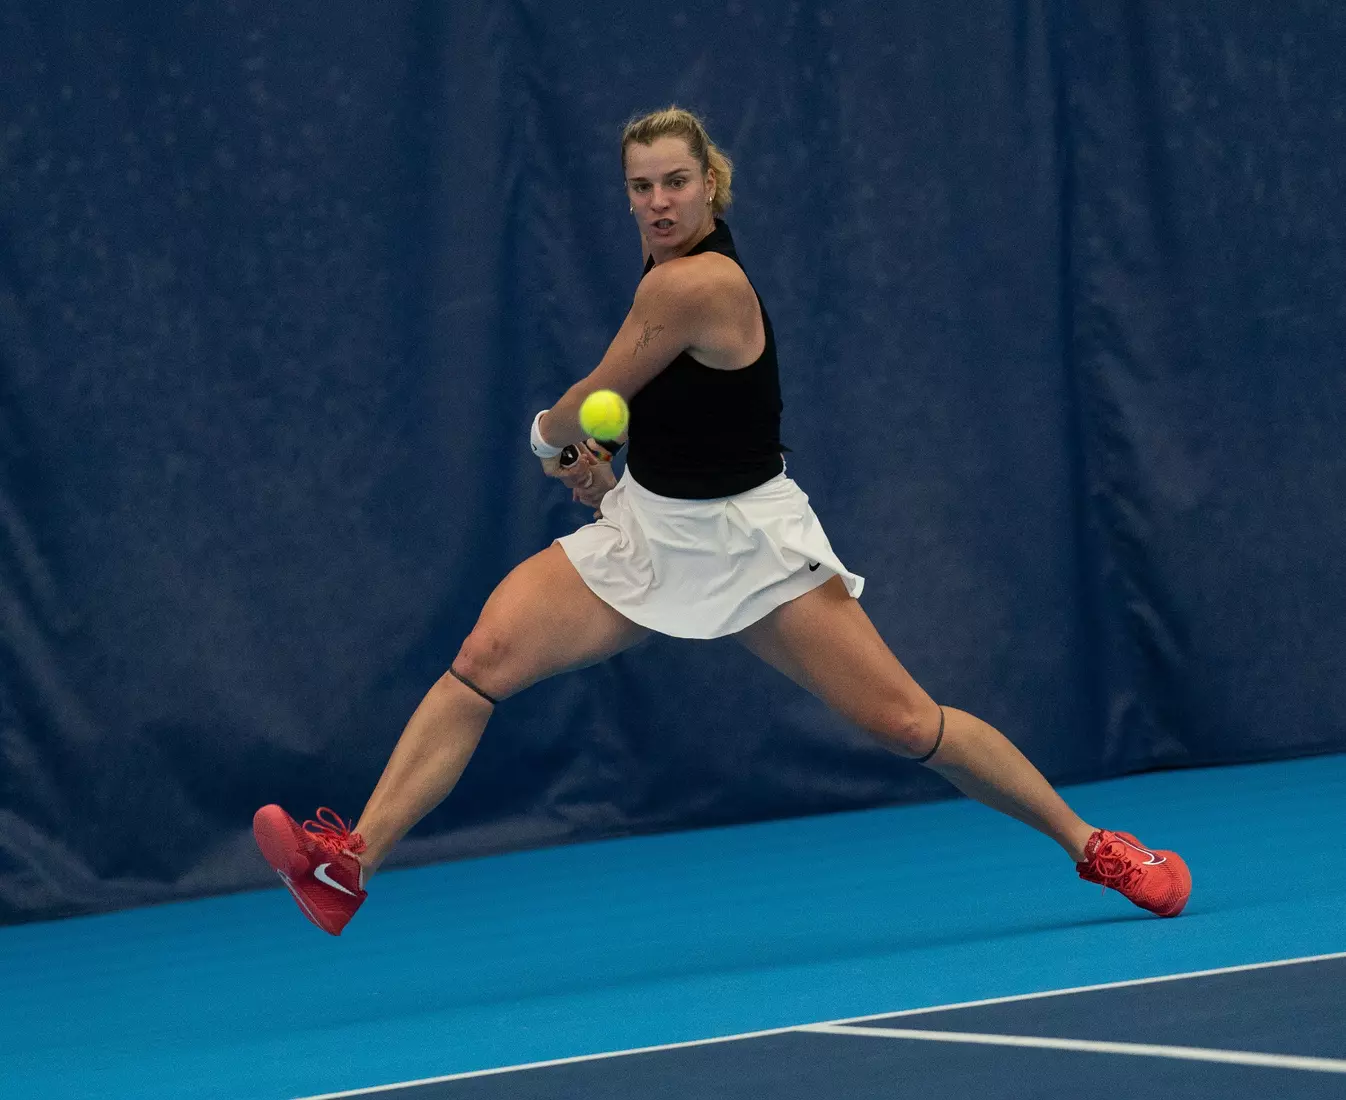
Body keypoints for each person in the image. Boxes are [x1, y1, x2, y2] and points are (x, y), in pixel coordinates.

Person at [253, 107, 1191, 936]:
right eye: (641, 187)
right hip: (652, 528)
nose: (658, 202)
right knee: (483, 659)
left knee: (908, 723)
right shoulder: (662, 273)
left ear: (711, 184)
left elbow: (586, 401)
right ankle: (349, 864)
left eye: (676, 182)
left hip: (750, 543)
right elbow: (667, 414)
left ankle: (1095, 846)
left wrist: (547, 439)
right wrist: (607, 478)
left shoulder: (693, 284)